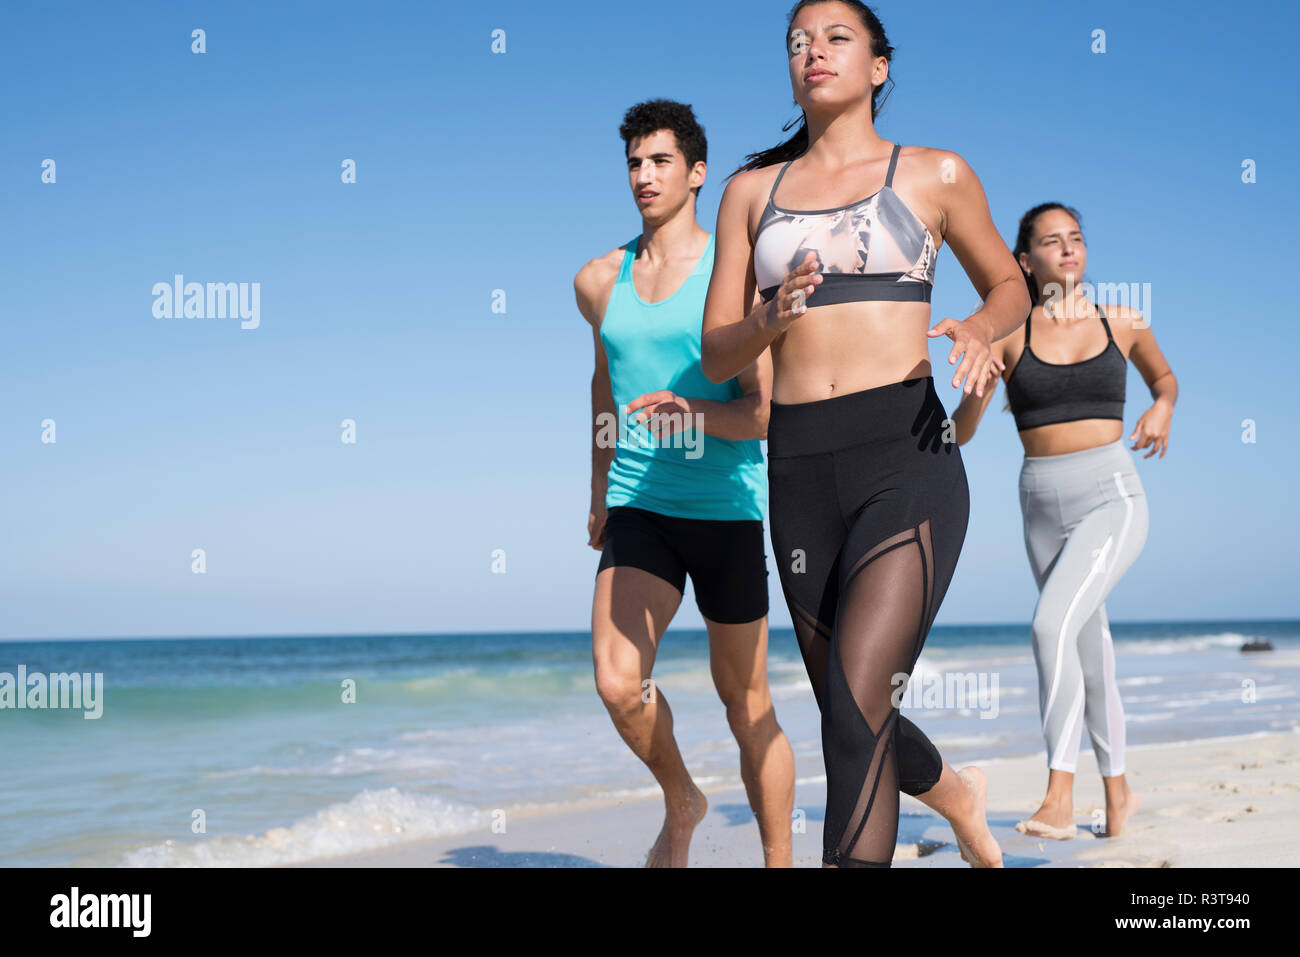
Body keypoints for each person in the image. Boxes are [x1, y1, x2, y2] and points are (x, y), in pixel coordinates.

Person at [701, 0, 1020, 867]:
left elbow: (1010, 285)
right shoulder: (747, 193)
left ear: (879, 66)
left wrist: (984, 330)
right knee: (850, 709)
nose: (814, 51)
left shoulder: (935, 174)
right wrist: (768, 317)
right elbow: (717, 348)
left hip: (905, 455)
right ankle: (956, 792)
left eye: (837, 38)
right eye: (798, 41)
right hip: (800, 469)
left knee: (855, 706)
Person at [574, 99, 796, 867]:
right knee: (616, 680)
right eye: (634, 162)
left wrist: (692, 413)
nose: (644, 175)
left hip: (728, 506)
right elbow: (605, 388)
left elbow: (760, 417)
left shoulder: (730, 277)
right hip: (642, 501)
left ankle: (779, 860)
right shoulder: (600, 280)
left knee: (747, 704)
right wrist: (601, 486)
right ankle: (682, 797)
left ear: (697, 173)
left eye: (660, 161)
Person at [952, 202, 1177, 838]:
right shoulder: (1012, 335)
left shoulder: (1122, 321)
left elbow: (1165, 380)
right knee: (1087, 648)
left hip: (1113, 495)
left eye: (1075, 238)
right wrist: (977, 390)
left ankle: (1059, 795)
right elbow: (961, 434)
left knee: (1050, 625)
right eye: (1051, 242)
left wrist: (1161, 407)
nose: (1068, 249)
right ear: (1026, 261)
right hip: (1040, 503)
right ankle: (1120, 793)